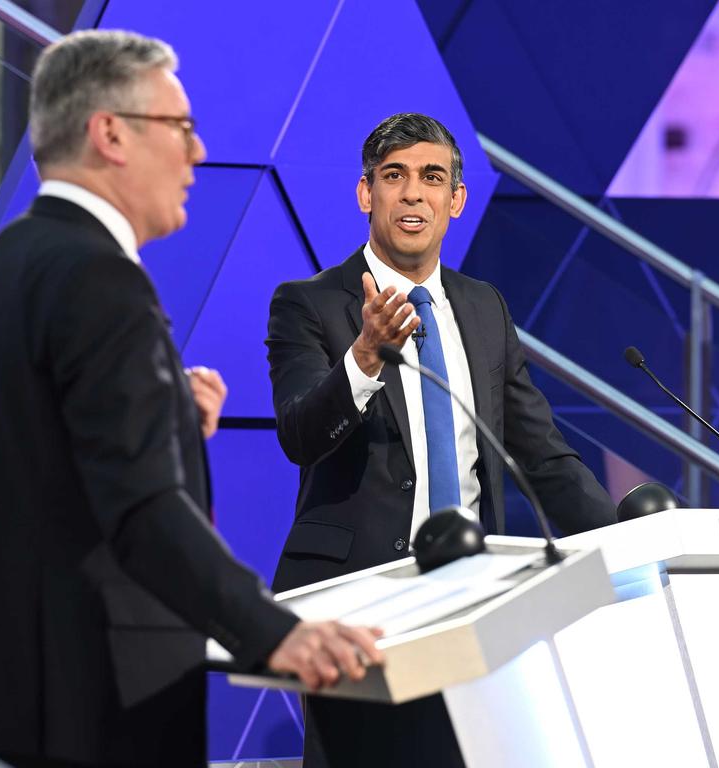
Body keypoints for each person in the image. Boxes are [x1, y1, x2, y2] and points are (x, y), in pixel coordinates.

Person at [0, 30, 381, 768]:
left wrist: (171, 426)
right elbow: (142, 508)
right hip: (85, 712)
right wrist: (275, 629)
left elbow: (37, 470)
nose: (197, 154)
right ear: (110, 133)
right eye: (182, 127)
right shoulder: (100, 280)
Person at [266, 112, 616, 766]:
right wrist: (366, 353)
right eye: (394, 177)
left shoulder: (485, 308)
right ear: (366, 193)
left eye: (433, 178)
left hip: (475, 602)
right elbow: (301, 435)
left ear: (456, 199)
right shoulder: (309, 303)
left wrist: (626, 540)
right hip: (355, 600)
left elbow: (540, 455)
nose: (413, 194)